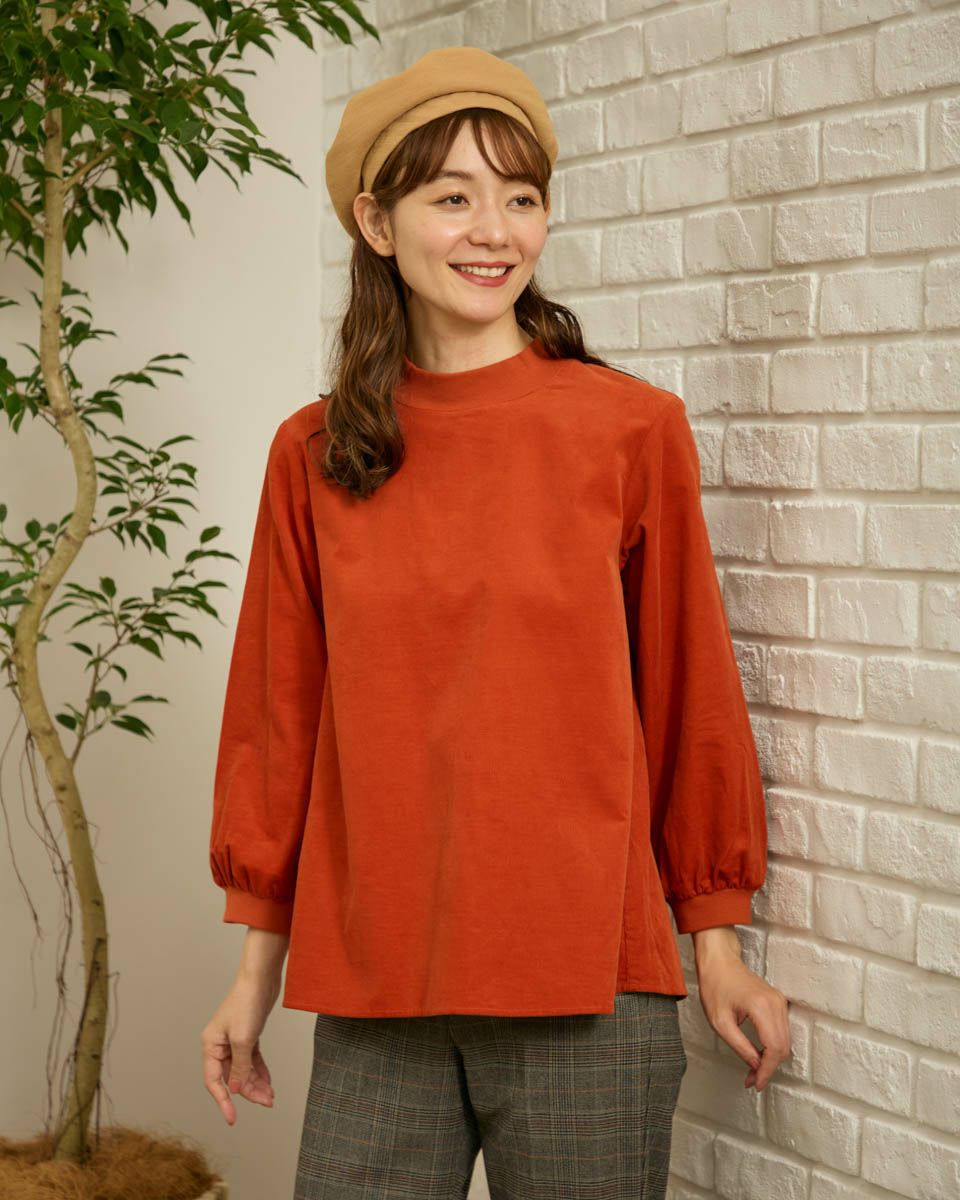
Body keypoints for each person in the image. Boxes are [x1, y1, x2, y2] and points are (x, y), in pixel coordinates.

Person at [200, 45, 791, 1200]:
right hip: (377, 986)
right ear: (377, 222)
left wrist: (716, 944)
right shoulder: (312, 455)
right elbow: (278, 724)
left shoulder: (629, 429)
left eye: (522, 198)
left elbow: (690, 695)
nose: (494, 231)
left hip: (590, 986)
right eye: (452, 197)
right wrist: (252, 979)